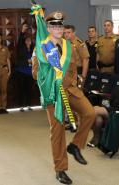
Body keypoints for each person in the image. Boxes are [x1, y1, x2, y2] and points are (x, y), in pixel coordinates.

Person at [31, 7, 95, 184]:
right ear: (49, 28)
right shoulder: (42, 46)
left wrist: (73, 84)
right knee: (57, 131)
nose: (59, 30)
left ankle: (75, 145)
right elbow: (35, 73)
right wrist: (50, 77)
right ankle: (60, 170)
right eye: (55, 26)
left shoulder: (69, 45)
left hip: (70, 89)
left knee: (90, 113)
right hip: (53, 93)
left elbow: (73, 68)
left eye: (61, 27)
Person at [15, 24, 34, 111]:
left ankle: (29, 105)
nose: (28, 41)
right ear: (24, 41)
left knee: (29, 89)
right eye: (27, 40)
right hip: (21, 71)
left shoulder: (34, 49)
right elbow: (19, 40)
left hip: (30, 72)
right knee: (21, 89)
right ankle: (21, 106)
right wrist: (22, 31)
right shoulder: (20, 47)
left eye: (29, 40)